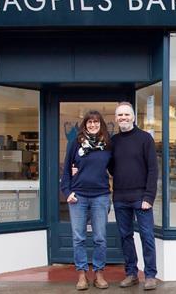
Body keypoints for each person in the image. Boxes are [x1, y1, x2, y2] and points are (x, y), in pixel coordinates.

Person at [109, 102, 158, 291]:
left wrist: (149, 197)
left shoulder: (145, 138)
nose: (123, 118)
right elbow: (111, 166)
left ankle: (150, 275)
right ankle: (131, 273)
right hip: (120, 197)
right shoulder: (113, 141)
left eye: (126, 114)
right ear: (116, 118)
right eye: (120, 115)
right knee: (125, 236)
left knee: (147, 236)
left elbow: (153, 169)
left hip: (141, 197)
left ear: (133, 117)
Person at [60, 110, 112, 290]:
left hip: (101, 196)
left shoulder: (107, 145)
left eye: (96, 122)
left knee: (100, 238)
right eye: (89, 122)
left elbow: (115, 169)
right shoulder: (76, 144)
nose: (92, 125)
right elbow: (66, 170)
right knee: (79, 238)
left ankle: (99, 274)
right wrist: (67, 192)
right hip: (79, 197)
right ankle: (82, 275)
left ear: (101, 125)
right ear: (85, 125)